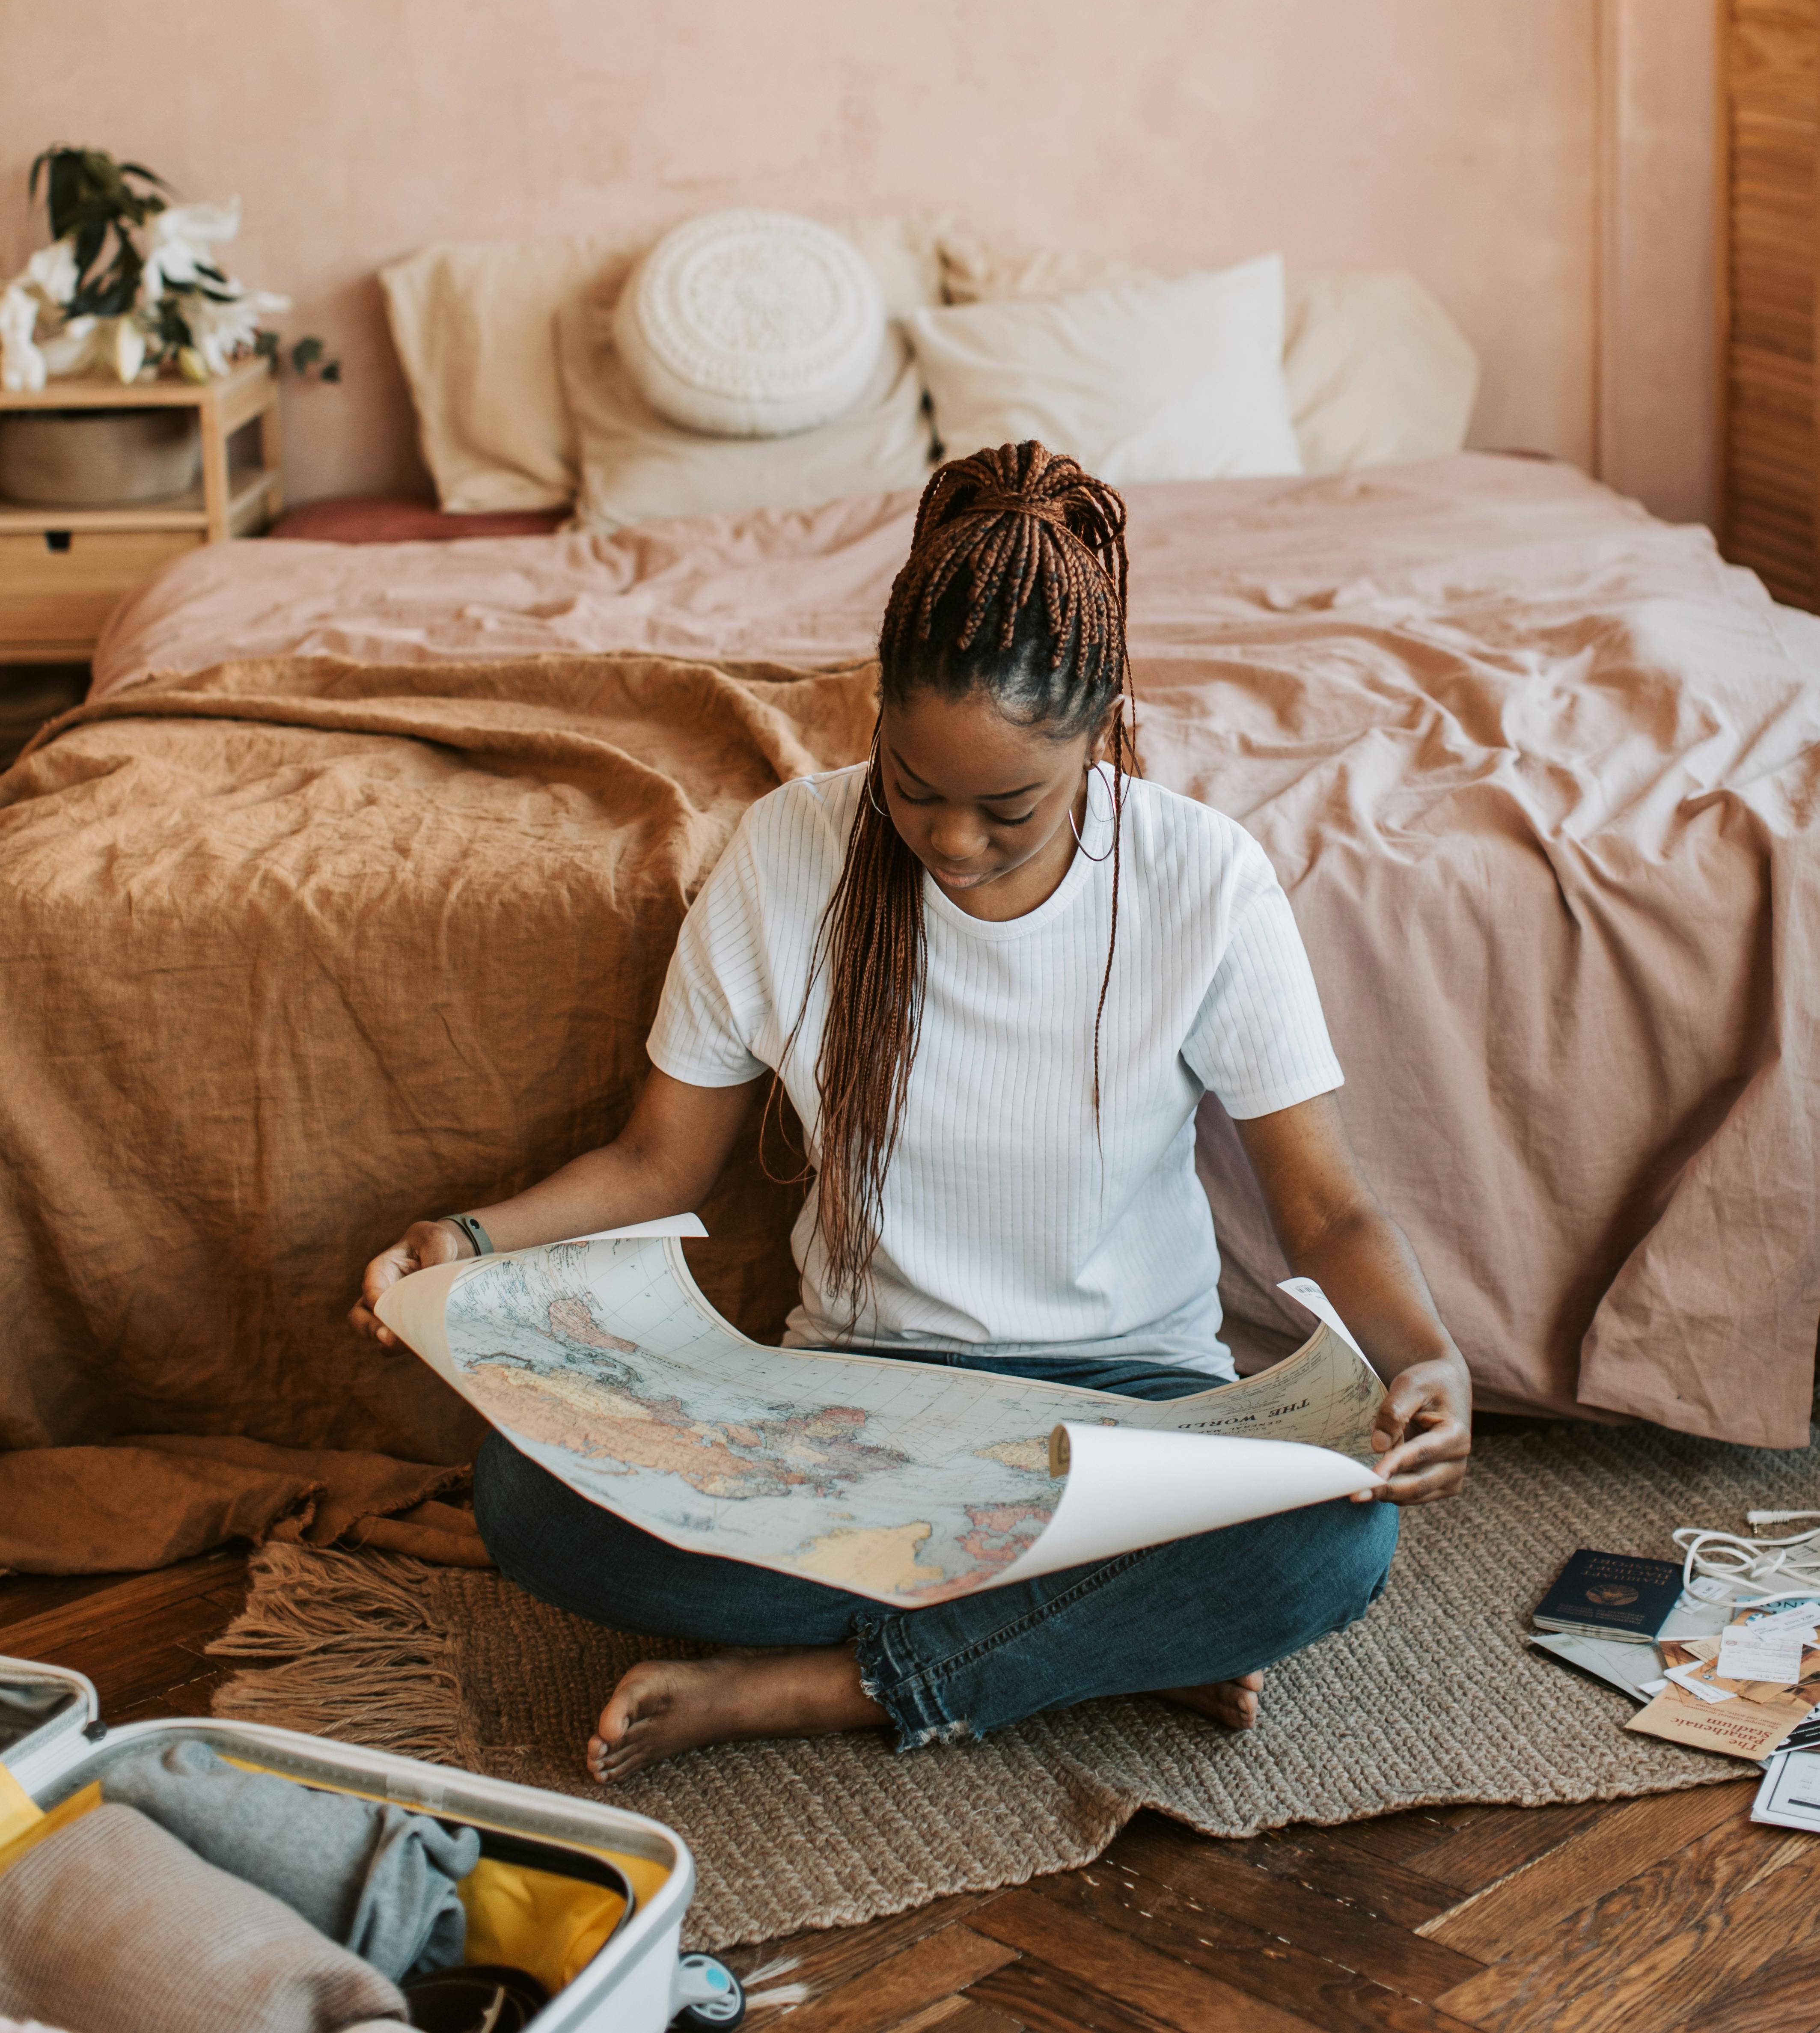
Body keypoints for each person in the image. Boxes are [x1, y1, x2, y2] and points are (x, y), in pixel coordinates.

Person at [354, 442, 1470, 1782]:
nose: (950, 842)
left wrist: (1425, 1357)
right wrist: (466, 1243)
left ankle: (819, 1687)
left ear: (1102, 724)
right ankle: (1104, 1638)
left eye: (1009, 808)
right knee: (530, 1495)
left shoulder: (1202, 880)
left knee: (1336, 1534)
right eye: (912, 787)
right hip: (853, 1411)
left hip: (1131, 1421)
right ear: (875, 712)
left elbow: (1324, 1205)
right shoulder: (786, 853)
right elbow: (659, 1162)